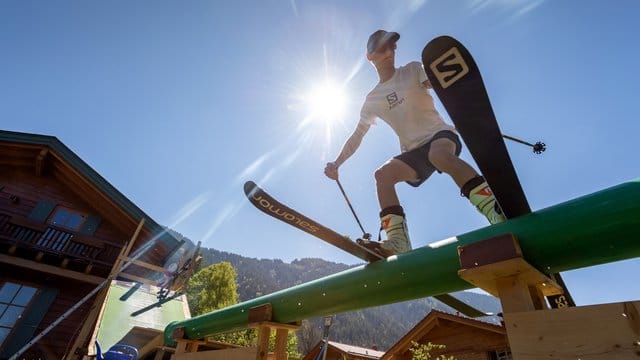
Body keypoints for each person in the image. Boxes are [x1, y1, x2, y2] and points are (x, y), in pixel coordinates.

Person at [324, 30, 505, 256]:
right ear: (370, 56)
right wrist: (337, 163)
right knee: (383, 175)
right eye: (382, 48)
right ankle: (398, 242)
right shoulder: (372, 99)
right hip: (414, 152)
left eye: (393, 46)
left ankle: (495, 210)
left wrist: (446, 90)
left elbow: (438, 82)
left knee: (438, 156)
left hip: (440, 136)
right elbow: (357, 136)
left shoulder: (412, 70)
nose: (389, 52)